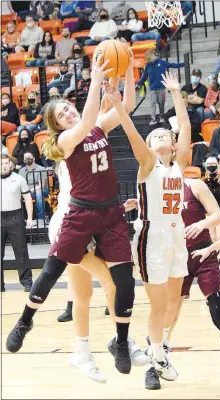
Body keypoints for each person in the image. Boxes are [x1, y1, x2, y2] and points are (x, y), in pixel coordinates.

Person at [6, 56, 137, 377]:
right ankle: (26, 321)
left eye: (68, 106)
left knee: (88, 292)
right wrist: (94, 81)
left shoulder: (95, 126)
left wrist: (128, 69)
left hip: (104, 215)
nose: (68, 110)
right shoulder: (67, 140)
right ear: (56, 125)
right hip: (75, 217)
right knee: (86, 280)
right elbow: (88, 115)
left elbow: (126, 106)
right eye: (61, 111)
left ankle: (101, 346)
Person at [104, 71, 191, 389]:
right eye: (153, 137)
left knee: (172, 301)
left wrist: (177, 93)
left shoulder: (179, 163)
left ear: (171, 141)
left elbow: (186, 127)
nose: (157, 139)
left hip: (177, 233)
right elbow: (132, 136)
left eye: (162, 136)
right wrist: (119, 106)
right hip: (152, 236)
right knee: (157, 304)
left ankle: (158, 348)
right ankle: (156, 356)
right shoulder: (146, 163)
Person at [50, 160, 149, 381]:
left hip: (89, 226)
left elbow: (96, 200)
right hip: (72, 228)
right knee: (111, 283)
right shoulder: (73, 158)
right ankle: (120, 341)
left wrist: (120, 207)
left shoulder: (90, 161)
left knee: (82, 295)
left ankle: (83, 352)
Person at [164, 178, 220, 346]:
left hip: (202, 253)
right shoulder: (156, 187)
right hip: (175, 256)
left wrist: (201, 224)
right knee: (172, 307)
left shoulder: (194, 186)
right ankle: (160, 350)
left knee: (219, 306)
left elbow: (218, 216)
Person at [1, 154, 33, 293]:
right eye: (1, 163)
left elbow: (27, 198)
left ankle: (27, 282)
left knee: (21, 252)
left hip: (15, 216)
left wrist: (30, 218)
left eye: (6, 163)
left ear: (11, 164)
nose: (4, 166)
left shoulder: (19, 178)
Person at [136, 49, 184, 125]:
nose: (149, 60)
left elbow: (172, 65)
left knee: (161, 103)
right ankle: (153, 118)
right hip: (152, 89)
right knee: (153, 103)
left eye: (150, 58)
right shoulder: (148, 65)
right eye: (148, 59)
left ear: (154, 55)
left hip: (161, 88)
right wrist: (138, 83)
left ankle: (161, 117)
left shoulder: (162, 62)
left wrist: (183, 64)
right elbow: (144, 76)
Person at [203, 155, 220, 264]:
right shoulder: (203, 181)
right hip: (208, 214)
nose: (211, 167)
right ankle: (215, 261)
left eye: (213, 165)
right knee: (212, 237)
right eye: (209, 165)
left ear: (217, 166)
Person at [19, 152, 48, 225]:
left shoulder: (40, 169)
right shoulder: (21, 171)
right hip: (26, 192)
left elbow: (41, 185)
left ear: (34, 158)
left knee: (39, 192)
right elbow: (20, 185)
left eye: (29, 157)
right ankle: (20, 219)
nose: (27, 159)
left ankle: (41, 218)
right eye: (25, 158)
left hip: (40, 190)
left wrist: (28, 191)